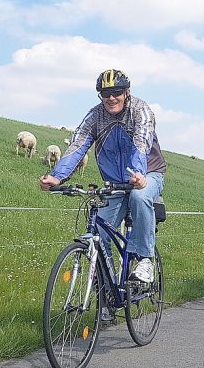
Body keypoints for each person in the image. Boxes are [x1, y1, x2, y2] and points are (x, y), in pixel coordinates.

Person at [39, 68, 166, 284]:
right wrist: (57, 176)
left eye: (116, 92)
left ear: (127, 92)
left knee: (139, 196)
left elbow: (141, 142)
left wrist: (138, 173)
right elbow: (78, 145)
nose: (111, 98)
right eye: (105, 94)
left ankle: (145, 259)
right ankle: (107, 290)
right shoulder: (95, 115)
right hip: (115, 183)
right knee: (98, 234)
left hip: (148, 173)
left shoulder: (140, 110)